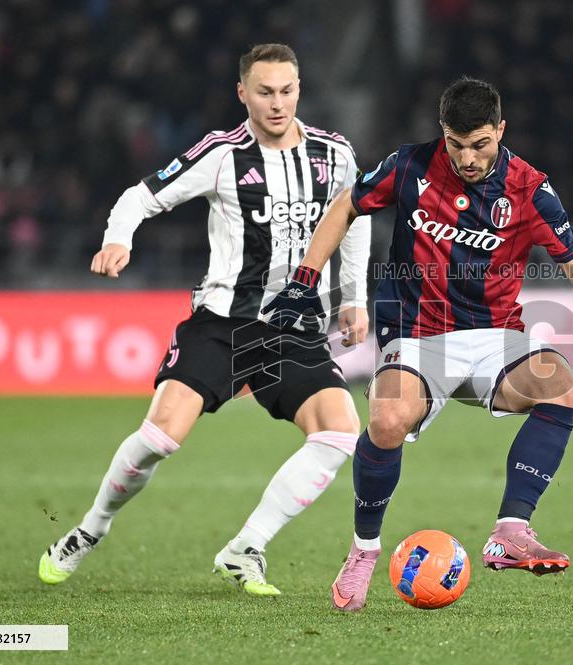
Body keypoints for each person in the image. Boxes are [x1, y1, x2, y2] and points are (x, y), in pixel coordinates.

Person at [263, 77, 573, 611]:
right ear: (442, 132)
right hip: (416, 334)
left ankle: (511, 531)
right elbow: (345, 207)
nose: (468, 158)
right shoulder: (410, 165)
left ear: (501, 130)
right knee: (386, 420)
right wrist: (304, 280)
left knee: (562, 386)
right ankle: (363, 550)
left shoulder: (530, 189)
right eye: (456, 144)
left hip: (495, 336)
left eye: (480, 144)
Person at [38, 44, 371, 596]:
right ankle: (91, 528)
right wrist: (118, 239)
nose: (277, 103)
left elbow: (355, 216)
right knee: (160, 437)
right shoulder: (221, 153)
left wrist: (353, 297)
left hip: (293, 328)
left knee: (338, 433)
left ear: (300, 90)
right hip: (223, 323)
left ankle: (246, 547)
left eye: (286, 91)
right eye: (264, 92)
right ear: (243, 93)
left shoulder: (334, 154)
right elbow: (140, 197)